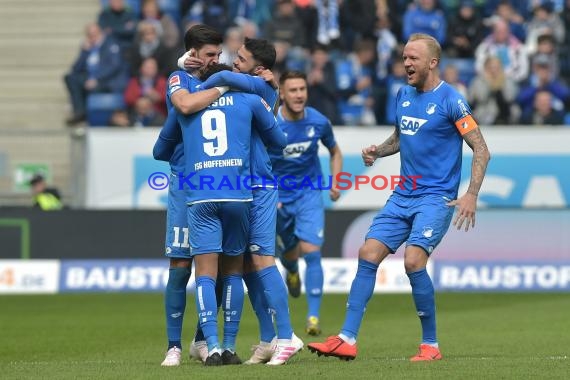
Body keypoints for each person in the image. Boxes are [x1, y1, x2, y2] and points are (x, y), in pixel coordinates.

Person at [307, 33, 491, 361]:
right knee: (368, 252)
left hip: (436, 198)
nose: (406, 63)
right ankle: (347, 338)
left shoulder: (451, 99)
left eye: (413, 58)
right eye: (404, 57)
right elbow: (400, 136)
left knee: (413, 261)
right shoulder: (403, 94)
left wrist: (471, 194)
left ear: (432, 62)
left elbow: (481, 148)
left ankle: (430, 346)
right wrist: (379, 151)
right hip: (402, 195)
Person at [179, 37, 304, 365]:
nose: (234, 62)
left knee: (261, 259)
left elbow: (224, 79)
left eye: (241, 59)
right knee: (246, 265)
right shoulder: (254, 90)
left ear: (259, 69)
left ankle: (287, 336)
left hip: (258, 185)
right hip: (239, 188)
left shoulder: (253, 88)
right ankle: (267, 338)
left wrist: (202, 74)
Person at [152, 24, 225, 367]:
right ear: (194, 54)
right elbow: (183, 105)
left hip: (220, 183)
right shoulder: (178, 80)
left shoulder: (222, 77)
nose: (216, 60)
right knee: (180, 266)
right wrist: (220, 84)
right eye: (210, 54)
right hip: (186, 181)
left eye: (218, 55)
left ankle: (200, 339)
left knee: (220, 268)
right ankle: (173, 346)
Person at [268, 70, 343, 336]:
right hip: (277, 198)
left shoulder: (319, 121)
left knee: (312, 250)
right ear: (282, 94)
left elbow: (335, 151)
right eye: (293, 90)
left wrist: (335, 181)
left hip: (309, 193)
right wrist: (268, 194)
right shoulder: (271, 124)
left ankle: (313, 317)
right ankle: (291, 270)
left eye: (302, 89)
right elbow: (258, 160)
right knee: (289, 253)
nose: (299, 95)